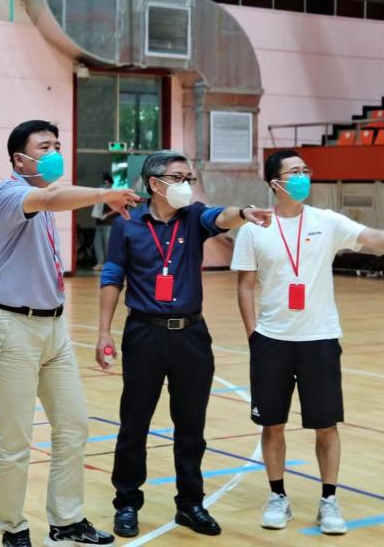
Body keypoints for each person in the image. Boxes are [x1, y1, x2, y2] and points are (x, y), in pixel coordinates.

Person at [231, 149, 384, 535]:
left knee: (326, 425)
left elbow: (370, 237)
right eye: (294, 171)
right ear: (275, 183)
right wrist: (254, 336)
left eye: (306, 170)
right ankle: (278, 496)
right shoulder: (254, 229)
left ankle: (329, 500)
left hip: (319, 339)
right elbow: (244, 286)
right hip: (272, 341)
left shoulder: (325, 221)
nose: (303, 176)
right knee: (272, 425)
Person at [96, 150, 273, 539]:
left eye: (189, 178)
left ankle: (190, 504)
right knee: (134, 424)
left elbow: (221, 216)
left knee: (191, 427)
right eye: (178, 178)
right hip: (143, 334)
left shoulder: (194, 217)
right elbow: (112, 275)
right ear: (155, 183)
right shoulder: (128, 224)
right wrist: (104, 331)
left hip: (191, 336)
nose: (186, 185)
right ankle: (127, 503)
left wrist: (244, 213)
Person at [0, 120, 138, 547]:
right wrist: (104, 194)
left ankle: (66, 520)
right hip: (12, 326)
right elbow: (51, 197)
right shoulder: (7, 194)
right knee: (15, 438)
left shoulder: (46, 202)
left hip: (54, 327)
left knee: (73, 426)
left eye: (57, 146)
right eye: (44, 147)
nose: (54, 154)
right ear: (19, 159)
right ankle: (12, 528)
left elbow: (53, 199)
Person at [91, 174, 117, 270]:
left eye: (105, 182)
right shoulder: (101, 194)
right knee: (96, 243)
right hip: (99, 223)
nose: (103, 184)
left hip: (108, 223)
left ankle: (108, 263)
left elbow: (116, 208)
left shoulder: (113, 194)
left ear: (109, 183)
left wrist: (107, 214)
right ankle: (100, 262)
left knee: (107, 244)